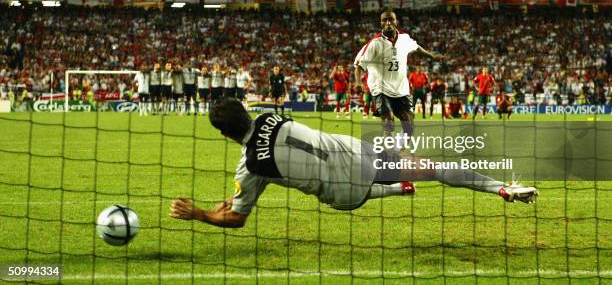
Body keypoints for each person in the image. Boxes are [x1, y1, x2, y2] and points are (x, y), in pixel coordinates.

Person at [169, 98, 538, 228]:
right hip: (358, 154)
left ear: (225, 135)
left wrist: (201, 213)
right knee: (433, 169)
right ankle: (502, 187)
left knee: (354, 197)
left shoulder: (250, 168)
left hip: (346, 192)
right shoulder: (269, 115)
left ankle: (394, 191)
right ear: (246, 112)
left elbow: (237, 218)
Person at [354, 11, 444, 136]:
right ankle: (386, 152)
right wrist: (358, 84)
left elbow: (416, 47)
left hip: (400, 90)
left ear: (396, 21)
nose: (388, 23)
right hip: (381, 89)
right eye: (384, 20)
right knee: (389, 123)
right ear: (380, 23)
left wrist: (432, 56)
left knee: (409, 127)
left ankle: (399, 150)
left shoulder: (404, 38)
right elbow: (358, 65)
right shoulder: (375, 43)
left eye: (391, 20)